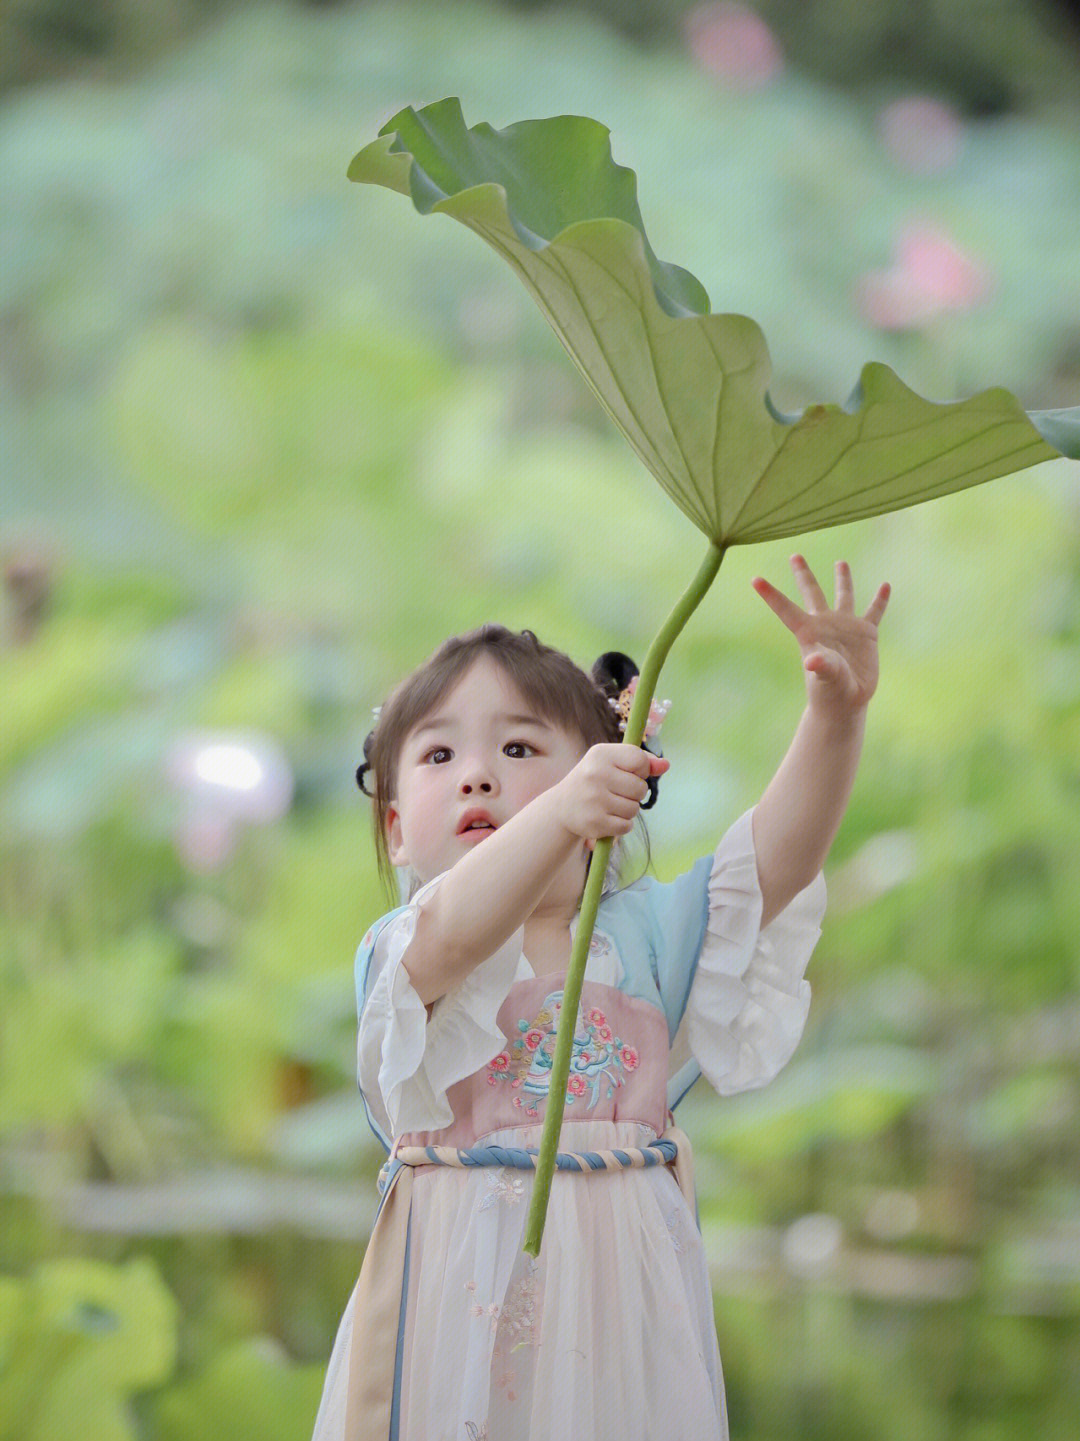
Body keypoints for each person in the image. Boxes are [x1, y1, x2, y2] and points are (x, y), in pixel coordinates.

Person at [312, 555, 890, 1441]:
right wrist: (557, 811)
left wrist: (835, 717)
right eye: (439, 753)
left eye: (519, 748)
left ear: (615, 786)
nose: (477, 775)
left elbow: (774, 861)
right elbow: (456, 933)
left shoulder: (646, 938)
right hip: (452, 1312)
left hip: (621, 1318)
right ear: (394, 825)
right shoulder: (406, 949)